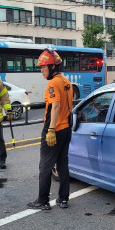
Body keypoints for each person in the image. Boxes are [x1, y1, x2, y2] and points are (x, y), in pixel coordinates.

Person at [27, 49, 73, 210]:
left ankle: (43, 200)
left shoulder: (53, 83)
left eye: (43, 67)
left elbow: (56, 106)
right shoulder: (66, 82)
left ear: (53, 66)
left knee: (45, 166)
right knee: (62, 164)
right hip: (66, 128)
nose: (41, 71)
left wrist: (51, 129)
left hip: (55, 129)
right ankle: (63, 198)